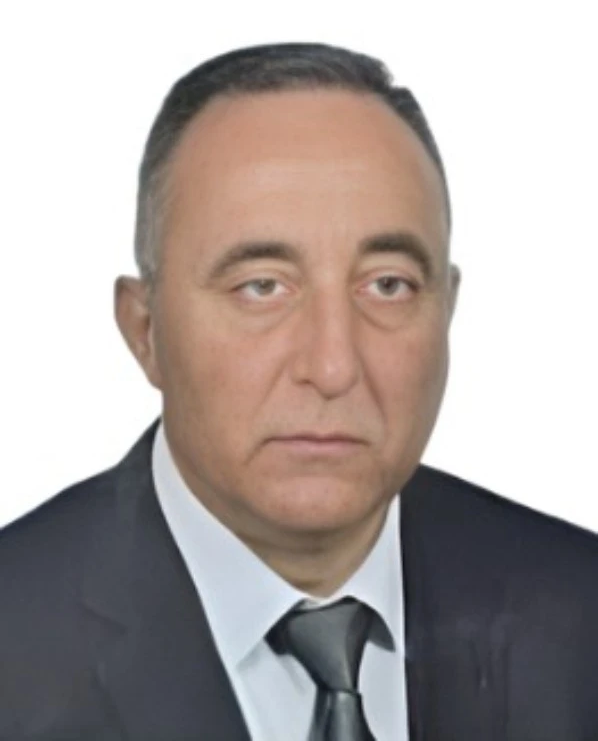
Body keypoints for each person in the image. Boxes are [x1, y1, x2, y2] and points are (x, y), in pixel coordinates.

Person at [1, 42, 597, 741]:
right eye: (262, 288)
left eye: (388, 285)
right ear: (145, 330)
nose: (333, 366)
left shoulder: (579, 612)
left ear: (447, 311)